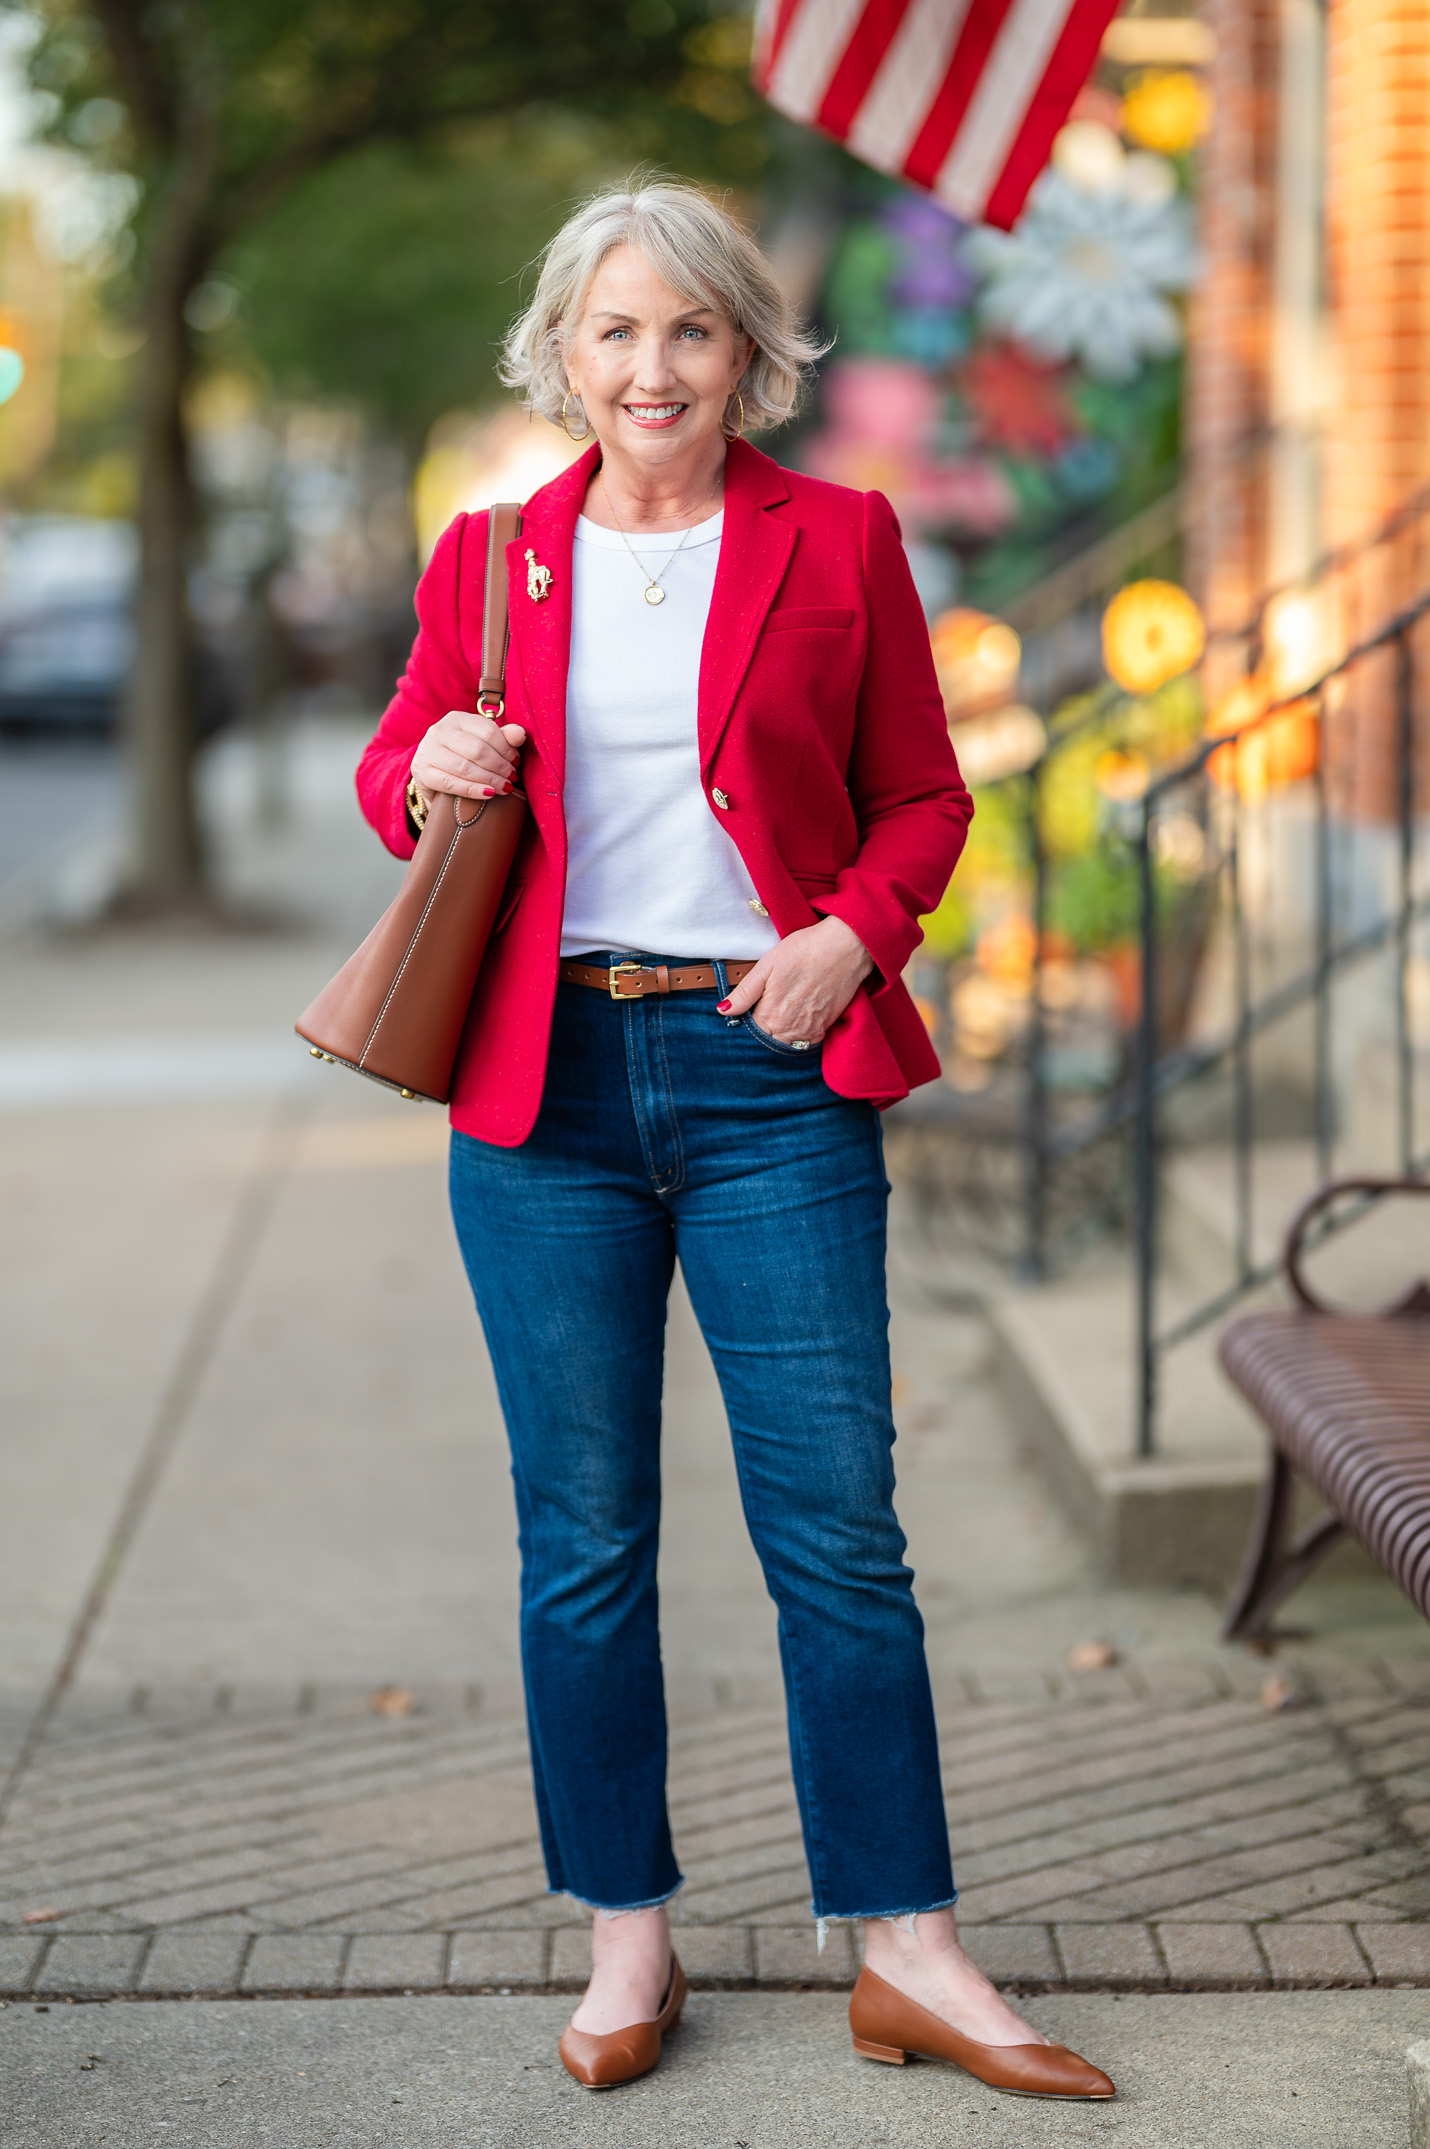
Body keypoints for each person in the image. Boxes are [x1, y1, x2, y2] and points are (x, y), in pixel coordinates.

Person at [356, 179, 1113, 2103]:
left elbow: (920, 801)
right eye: (614, 331)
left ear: (745, 353)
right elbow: (402, 761)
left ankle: (910, 1949)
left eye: (688, 329)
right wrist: (422, 767)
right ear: (565, 353)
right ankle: (627, 1938)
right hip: (548, 1098)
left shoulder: (842, 540)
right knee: (583, 1542)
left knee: (838, 1536)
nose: (652, 366)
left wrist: (849, 932)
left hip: (772, 1080)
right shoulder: (490, 559)